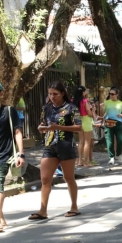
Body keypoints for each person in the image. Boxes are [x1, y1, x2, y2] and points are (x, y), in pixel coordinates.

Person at [29, 81, 82, 220]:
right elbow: (43, 124)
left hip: (66, 146)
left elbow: (79, 127)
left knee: (69, 178)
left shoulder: (71, 108)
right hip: (50, 145)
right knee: (45, 179)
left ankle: (74, 207)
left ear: (63, 93)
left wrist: (58, 127)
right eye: (50, 94)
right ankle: (43, 210)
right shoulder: (46, 108)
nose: (52, 96)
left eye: (55, 94)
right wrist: (42, 128)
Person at [0, 81, 25, 232]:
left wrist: (20, 153)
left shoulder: (8, 111)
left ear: (0, 93)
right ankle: (2, 219)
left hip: (3, 155)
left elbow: (18, 132)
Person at [101, 87, 122, 166]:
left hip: (118, 122)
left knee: (121, 139)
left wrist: (121, 115)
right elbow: (104, 112)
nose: (111, 95)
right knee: (110, 141)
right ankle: (111, 157)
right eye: (110, 94)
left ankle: (118, 155)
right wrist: (102, 108)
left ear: (117, 95)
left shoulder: (121, 103)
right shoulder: (107, 102)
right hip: (108, 122)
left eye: (112, 94)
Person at [72, 86, 95, 167]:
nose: (86, 93)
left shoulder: (73, 101)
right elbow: (88, 112)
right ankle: (86, 162)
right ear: (83, 92)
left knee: (81, 141)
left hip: (79, 121)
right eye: (85, 91)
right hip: (86, 121)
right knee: (87, 142)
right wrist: (93, 112)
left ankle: (79, 161)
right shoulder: (85, 101)